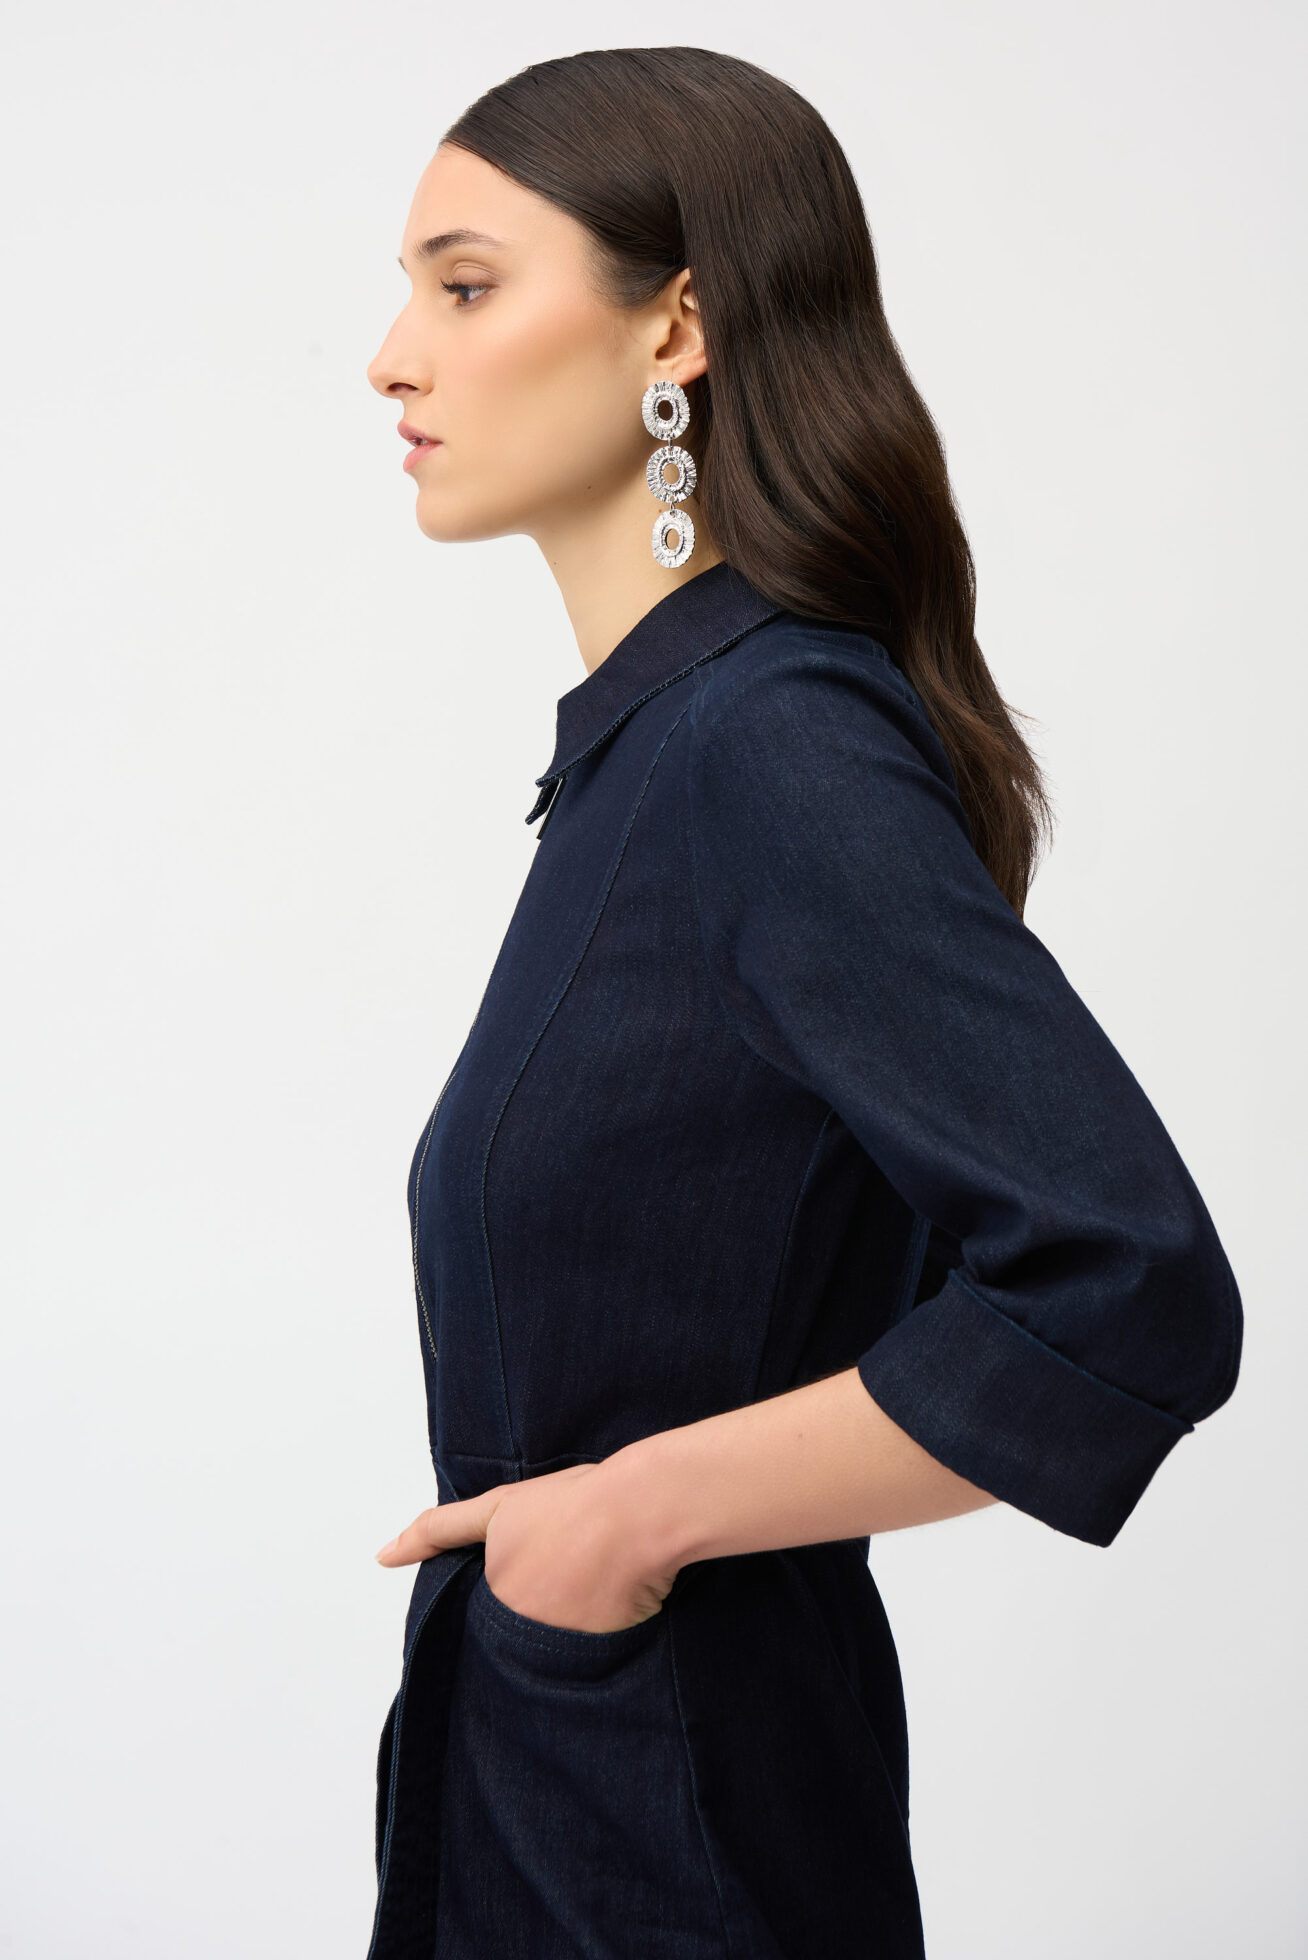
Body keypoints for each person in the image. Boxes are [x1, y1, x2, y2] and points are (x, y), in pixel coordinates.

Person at [362, 47, 1243, 1960]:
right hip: (579, 1767)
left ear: (675, 327)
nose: (391, 360)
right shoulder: (659, 749)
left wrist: (621, 1522)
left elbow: (1125, 1284)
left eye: (466, 286)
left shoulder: (763, 744)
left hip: (667, 1815)